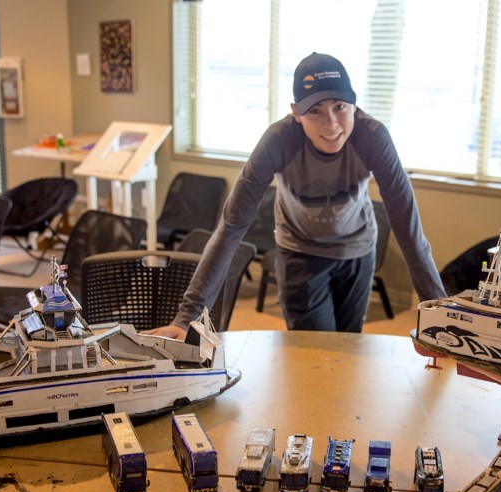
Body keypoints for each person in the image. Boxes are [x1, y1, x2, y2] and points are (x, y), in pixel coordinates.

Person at [146, 52, 446, 339]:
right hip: (300, 253)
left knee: (348, 347)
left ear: (354, 104)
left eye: (340, 106)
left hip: (358, 249)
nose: (331, 124)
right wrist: (188, 317)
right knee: (314, 350)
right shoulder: (279, 141)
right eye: (315, 110)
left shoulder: (372, 137)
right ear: (296, 113)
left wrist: (439, 317)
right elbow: (231, 226)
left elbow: (408, 228)